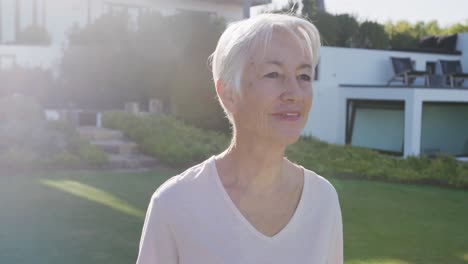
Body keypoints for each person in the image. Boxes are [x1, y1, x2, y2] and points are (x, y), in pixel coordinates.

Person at [136, 13, 343, 264]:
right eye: (273, 74)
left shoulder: (323, 201)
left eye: (304, 76)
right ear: (228, 93)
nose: (294, 93)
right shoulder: (174, 204)